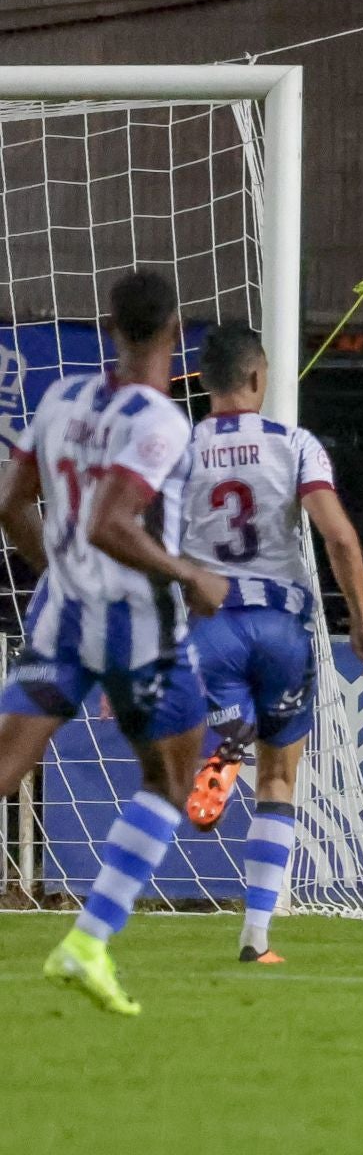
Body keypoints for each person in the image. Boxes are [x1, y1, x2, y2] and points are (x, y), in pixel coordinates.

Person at [0, 270, 228, 1015]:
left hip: (62, 614)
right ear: (174, 332)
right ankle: (89, 942)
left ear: (109, 327)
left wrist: (57, 569)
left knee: (4, 766)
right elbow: (111, 522)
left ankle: (88, 946)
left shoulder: (61, 397)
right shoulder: (161, 421)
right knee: (170, 780)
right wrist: (187, 573)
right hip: (138, 628)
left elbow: (10, 502)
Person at [177, 322, 363, 963]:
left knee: (225, 733)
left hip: (210, 624)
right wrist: (359, 620)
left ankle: (228, 738)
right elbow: (339, 537)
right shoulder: (296, 445)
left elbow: (148, 543)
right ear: (257, 378)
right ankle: (256, 937)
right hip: (282, 627)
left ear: (202, 383)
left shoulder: (179, 449)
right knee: (279, 779)